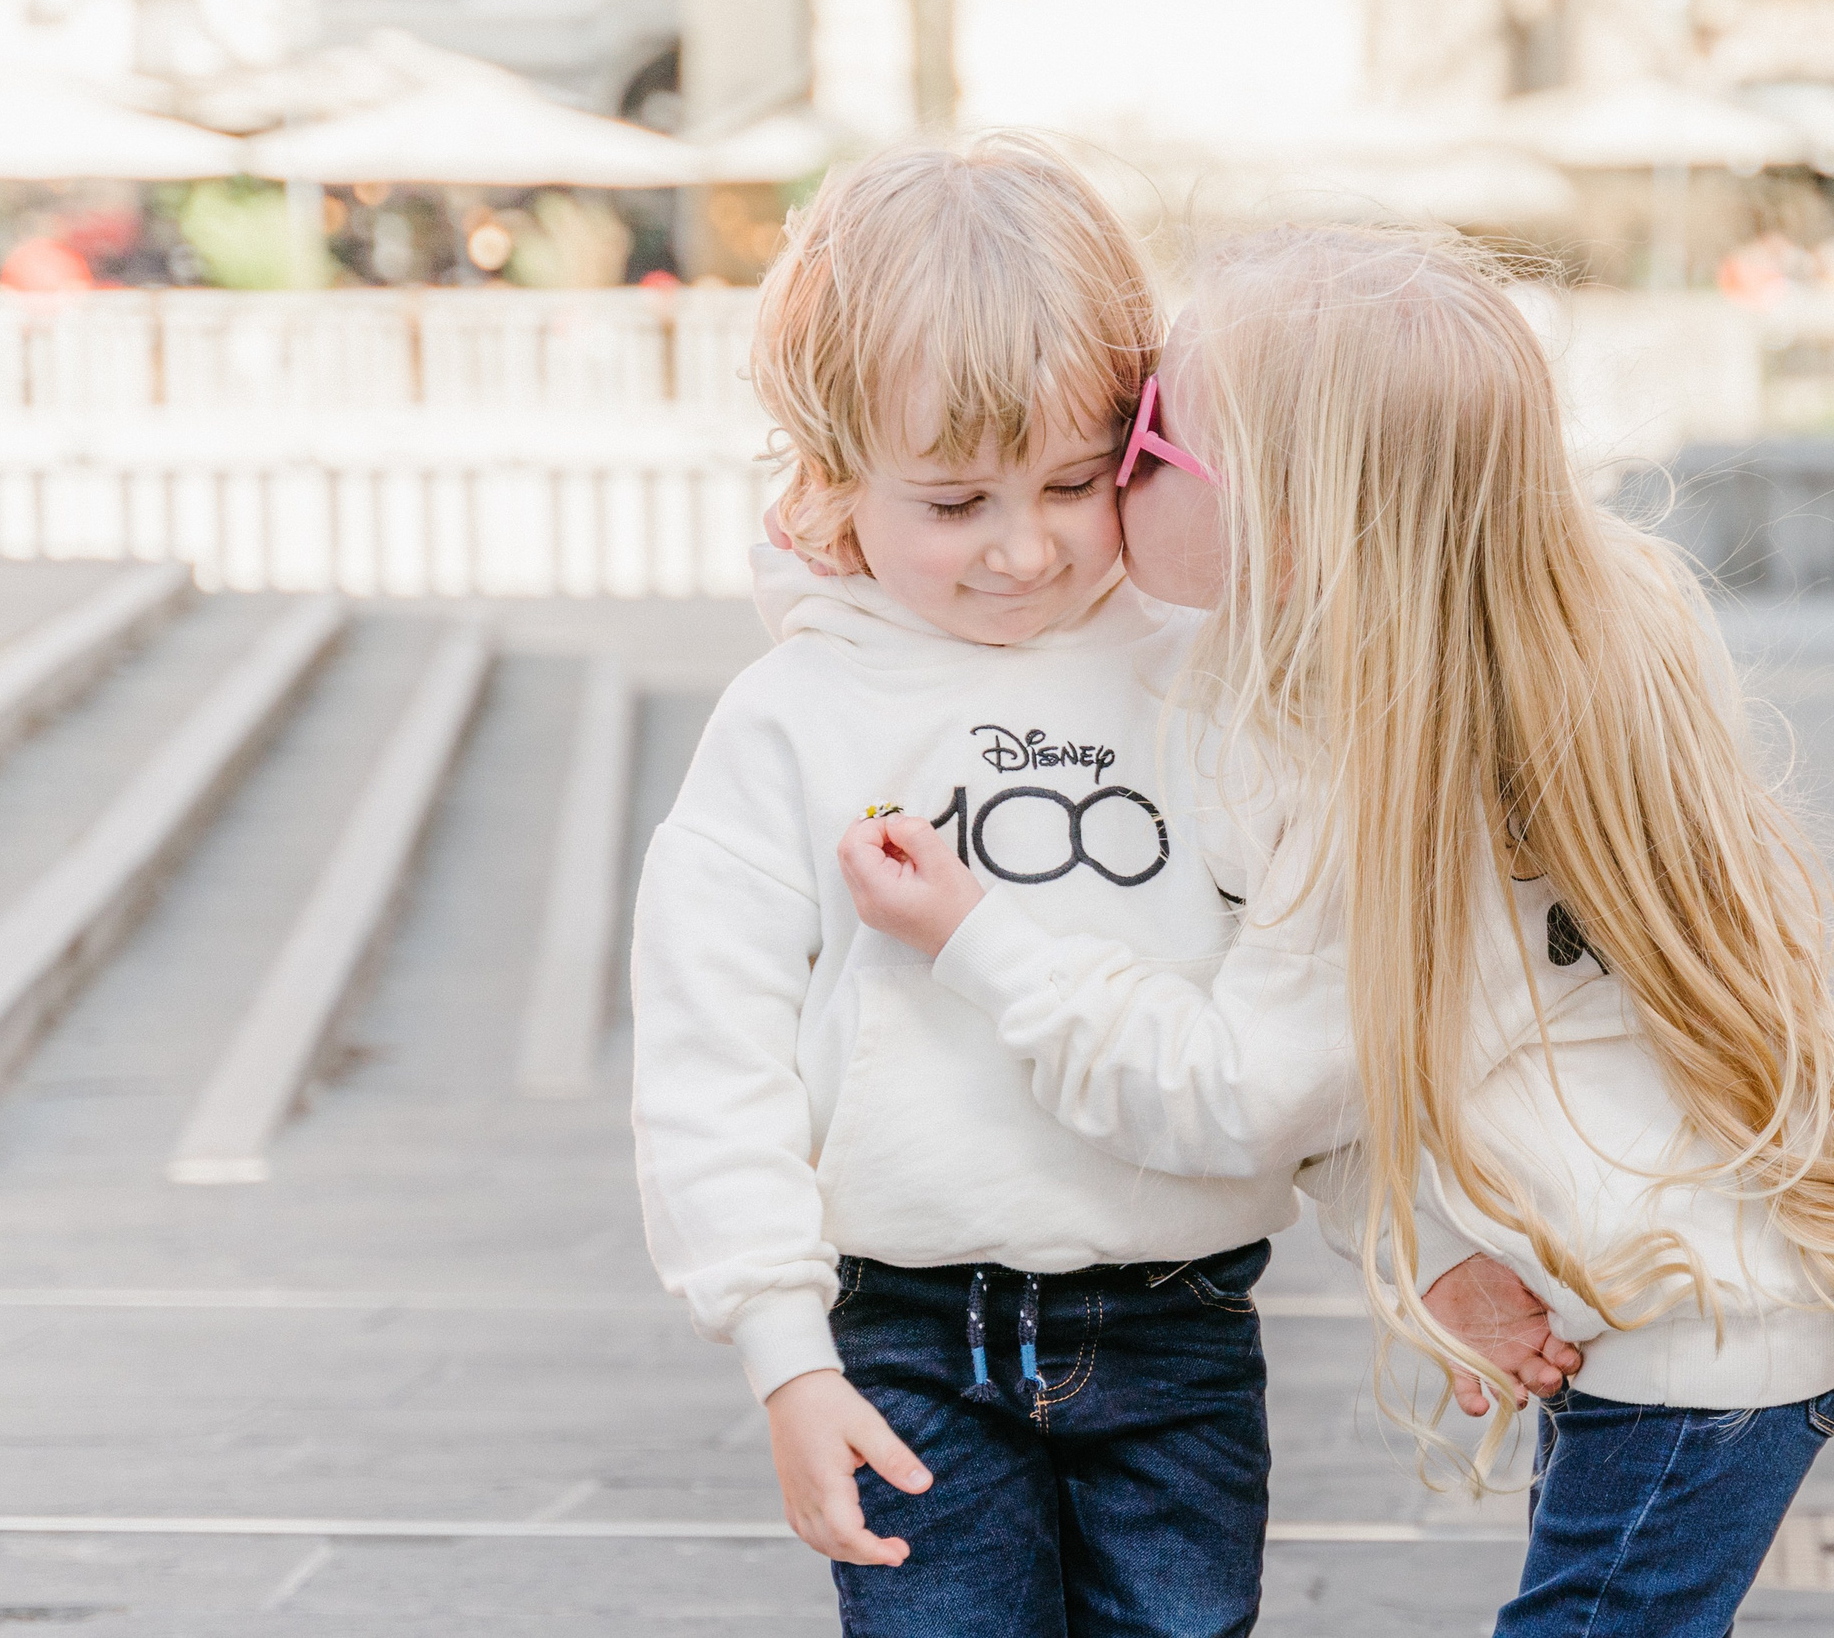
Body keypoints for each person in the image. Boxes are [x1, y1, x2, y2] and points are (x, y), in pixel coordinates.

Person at [840, 224, 1834, 1637]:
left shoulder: (1365, 778)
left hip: (1695, 1336)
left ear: (1286, 524)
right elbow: (1396, 1044)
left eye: (1142, 437)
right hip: (1698, 1294)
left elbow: (1237, 1093)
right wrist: (1440, 1248)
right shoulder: (1515, 648)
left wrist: (979, 936)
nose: (1113, 462)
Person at [630, 143, 1561, 1638]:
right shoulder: (791, 720)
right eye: (953, 502)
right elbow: (708, 1057)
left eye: (1076, 480)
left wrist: (1427, 1248)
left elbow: (1299, 1041)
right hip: (907, 1327)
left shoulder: (1215, 684)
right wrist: (784, 1351)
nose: (1024, 547)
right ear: (833, 477)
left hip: (1178, 1325)